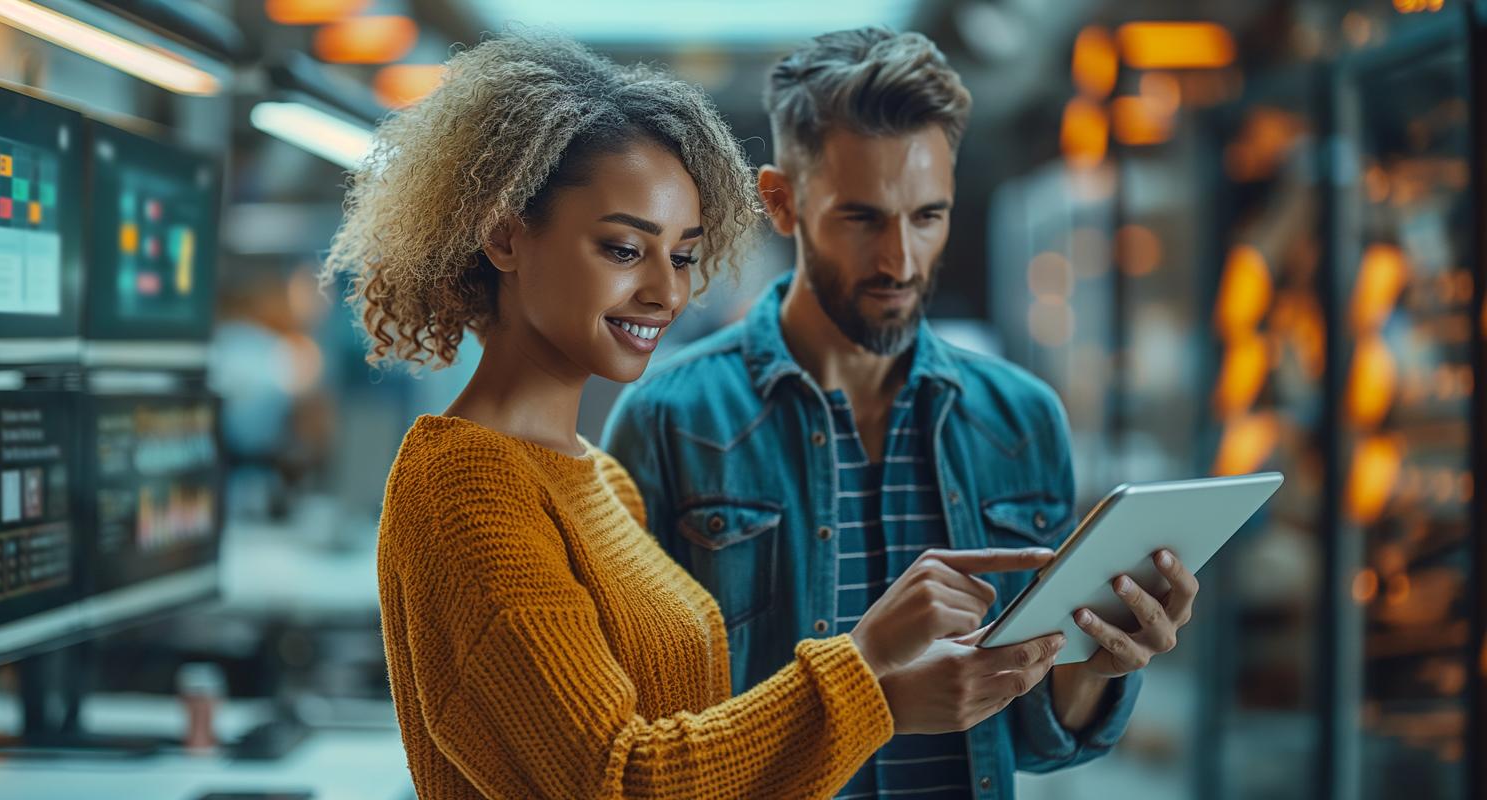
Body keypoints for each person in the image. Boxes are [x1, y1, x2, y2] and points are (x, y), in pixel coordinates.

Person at [324, 29, 1072, 800]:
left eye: (682, 255)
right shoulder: (462, 490)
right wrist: (868, 680)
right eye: (623, 249)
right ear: (506, 235)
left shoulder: (601, 480)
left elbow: (693, 747)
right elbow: (616, 780)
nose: (667, 293)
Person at [603, 27, 1201, 800]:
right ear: (782, 204)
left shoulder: (1022, 419)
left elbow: (1031, 739)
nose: (902, 261)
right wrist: (869, 702)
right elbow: (640, 748)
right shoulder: (666, 420)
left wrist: (1102, 664)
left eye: (927, 216)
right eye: (862, 219)